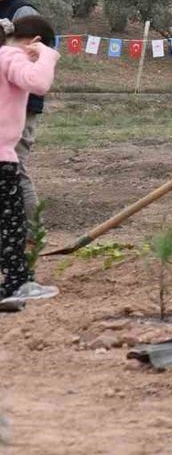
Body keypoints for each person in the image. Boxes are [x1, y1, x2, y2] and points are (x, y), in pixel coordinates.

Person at [0, 15, 59, 304]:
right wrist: (47, 56)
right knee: (11, 224)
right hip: (1, 158)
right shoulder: (13, 57)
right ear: (34, 42)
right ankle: (17, 284)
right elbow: (39, 83)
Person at [0, 0, 46, 221]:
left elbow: (33, 60)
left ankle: (32, 233)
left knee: (14, 168)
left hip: (21, 106)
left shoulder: (23, 12)